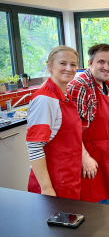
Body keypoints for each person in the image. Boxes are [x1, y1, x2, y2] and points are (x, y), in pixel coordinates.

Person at [68, 43, 109, 205]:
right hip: (89, 155)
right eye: (101, 62)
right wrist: (84, 157)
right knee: (92, 211)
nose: (106, 67)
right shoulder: (80, 87)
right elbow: (72, 130)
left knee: (108, 208)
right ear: (90, 63)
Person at [27, 46, 82, 200]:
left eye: (73, 64)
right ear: (49, 66)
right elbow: (34, 146)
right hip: (53, 184)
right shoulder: (45, 99)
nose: (68, 68)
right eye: (63, 63)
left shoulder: (65, 95)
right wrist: (46, 189)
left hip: (68, 178)